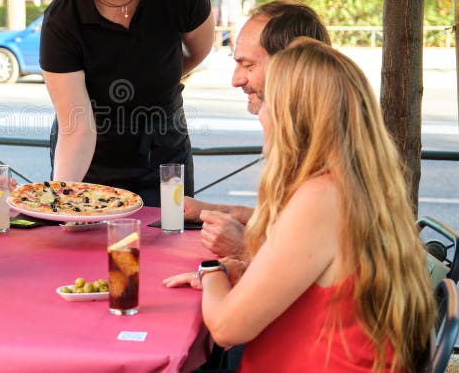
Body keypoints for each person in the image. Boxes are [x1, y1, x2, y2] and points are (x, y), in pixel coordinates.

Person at [166, 38, 434, 372]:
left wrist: (212, 271)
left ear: (291, 116)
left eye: (265, 103)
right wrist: (243, 273)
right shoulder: (356, 183)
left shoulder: (321, 197)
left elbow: (224, 328)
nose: (261, 115)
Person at [40, 0, 214, 207]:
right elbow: (76, 127)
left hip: (163, 153)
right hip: (90, 161)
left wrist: (153, 77)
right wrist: (63, 201)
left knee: (169, 243)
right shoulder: (63, 18)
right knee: (88, 249)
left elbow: (199, 51)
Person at [183, 0, 330, 257]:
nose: (236, 80)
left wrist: (243, 249)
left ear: (292, 66)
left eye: (249, 65)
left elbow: (309, 260)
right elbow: (289, 225)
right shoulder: (318, 135)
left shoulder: (324, 163)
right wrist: (220, 211)